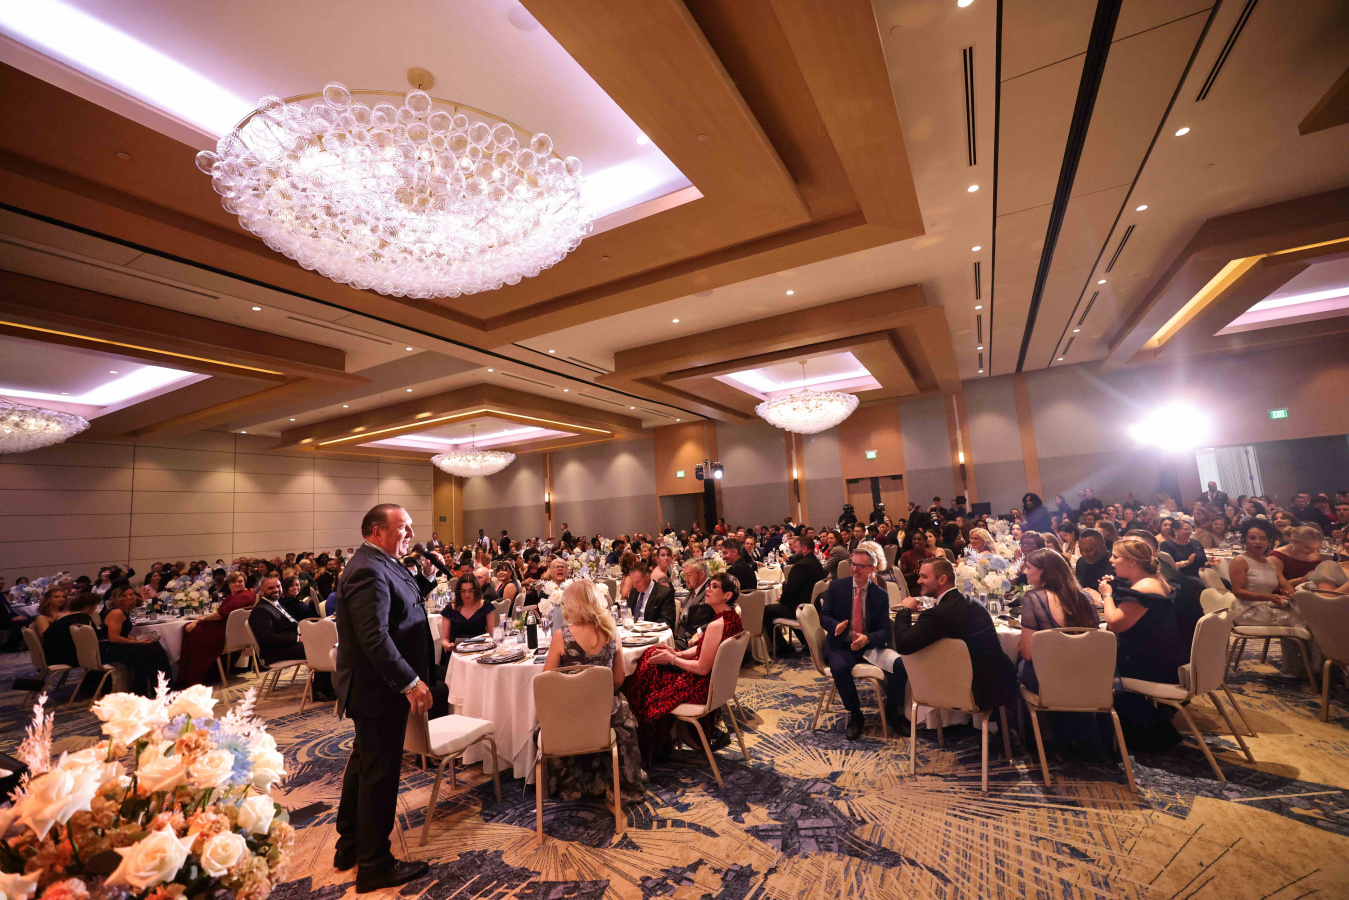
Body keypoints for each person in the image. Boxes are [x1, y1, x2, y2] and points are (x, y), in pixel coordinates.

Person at [333, 504, 439, 891]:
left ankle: (350, 846)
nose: (411, 534)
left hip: (376, 688)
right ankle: (375, 864)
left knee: (364, 766)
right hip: (378, 688)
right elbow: (374, 636)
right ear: (378, 532)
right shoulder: (367, 569)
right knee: (379, 775)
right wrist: (409, 682)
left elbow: (402, 604)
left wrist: (426, 578)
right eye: (403, 527)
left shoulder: (379, 561)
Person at [541, 581, 645, 801]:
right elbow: (618, 679)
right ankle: (617, 781)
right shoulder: (612, 632)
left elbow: (546, 682)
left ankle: (575, 783)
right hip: (605, 712)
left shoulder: (562, 636)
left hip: (571, 713)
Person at [626, 572, 744, 763]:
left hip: (700, 687)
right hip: (713, 684)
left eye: (714, 587)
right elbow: (704, 648)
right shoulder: (731, 617)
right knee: (652, 655)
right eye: (709, 585)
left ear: (727, 595)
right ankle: (660, 742)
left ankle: (650, 746)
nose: (708, 589)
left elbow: (702, 668)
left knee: (644, 675)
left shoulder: (717, 624)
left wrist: (672, 659)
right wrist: (677, 654)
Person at [893, 558, 1018, 727]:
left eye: (924, 576)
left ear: (942, 579)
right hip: (1000, 681)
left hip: (975, 691)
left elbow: (903, 645)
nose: (918, 581)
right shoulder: (972, 602)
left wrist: (905, 609)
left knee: (909, 664)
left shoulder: (939, 613)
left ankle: (900, 715)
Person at [1096, 537, 1187, 750]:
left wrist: (1106, 595)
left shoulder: (1144, 588)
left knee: (1095, 667)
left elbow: (1115, 624)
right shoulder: (1154, 580)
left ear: (1132, 561)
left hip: (1152, 665)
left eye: (1115, 557)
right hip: (1165, 655)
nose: (1111, 560)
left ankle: (1119, 736)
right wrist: (1115, 586)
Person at [819, 549, 903, 740]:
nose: (854, 569)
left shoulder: (880, 595)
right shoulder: (837, 587)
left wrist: (867, 639)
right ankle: (855, 714)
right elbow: (824, 616)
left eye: (860, 566)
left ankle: (892, 711)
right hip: (841, 644)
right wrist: (835, 626)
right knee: (840, 668)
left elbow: (885, 631)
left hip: (869, 646)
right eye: (853, 564)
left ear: (872, 569)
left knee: (900, 665)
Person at [250, 576, 334, 701]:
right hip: (275, 651)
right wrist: (298, 639)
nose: (276, 590)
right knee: (321, 648)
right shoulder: (261, 610)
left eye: (278, 586)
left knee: (327, 641)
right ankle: (320, 691)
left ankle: (330, 686)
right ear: (261, 591)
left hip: (288, 644)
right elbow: (267, 638)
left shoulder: (275, 604)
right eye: (271, 588)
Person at [178, 572, 257, 686]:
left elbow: (220, 615)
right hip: (230, 629)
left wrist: (199, 620)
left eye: (240, 581)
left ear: (245, 582)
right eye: (234, 581)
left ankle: (195, 675)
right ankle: (191, 674)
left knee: (192, 630)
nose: (237, 584)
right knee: (190, 627)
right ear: (229, 584)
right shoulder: (234, 595)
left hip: (227, 632)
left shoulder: (244, 596)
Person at [99, 586, 171, 697]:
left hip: (116, 645)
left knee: (154, 647)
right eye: (124, 596)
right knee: (148, 652)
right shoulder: (117, 612)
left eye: (131, 594)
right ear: (117, 598)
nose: (129, 597)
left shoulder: (124, 611)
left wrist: (137, 639)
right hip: (109, 649)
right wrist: (136, 642)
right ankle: (146, 690)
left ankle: (157, 688)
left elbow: (122, 633)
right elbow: (114, 637)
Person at [1229, 518, 1302, 628]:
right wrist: (1268, 597)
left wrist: (1290, 595)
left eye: (1263, 538)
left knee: (1306, 614)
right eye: (1252, 538)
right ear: (1245, 540)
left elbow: (1287, 587)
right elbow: (1238, 592)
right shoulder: (1240, 561)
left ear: (1269, 541)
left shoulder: (1270, 563)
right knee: (1302, 620)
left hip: (1267, 606)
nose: (1257, 542)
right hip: (1247, 611)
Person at [763, 534, 825, 656]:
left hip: (799, 608)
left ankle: (783, 647)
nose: (794, 550)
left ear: (804, 549)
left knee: (765, 611)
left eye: (796, 547)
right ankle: (806, 641)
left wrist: (782, 598)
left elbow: (790, 590)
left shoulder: (801, 566)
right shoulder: (816, 562)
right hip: (812, 606)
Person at [438, 572, 495, 656]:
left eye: (471, 591)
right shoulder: (450, 609)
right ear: (458, 592)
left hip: (479, 652)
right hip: (456, 652)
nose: (467, 594)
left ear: (476, 591)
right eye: (463, 591)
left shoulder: (486, 606)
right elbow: (445, 639)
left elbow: (491, 635)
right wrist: (448, 645)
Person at [41, 592, 101, 670]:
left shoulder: (65, 615)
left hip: (50, 654)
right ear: (89, 607)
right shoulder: (82, 618)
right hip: (62, 657)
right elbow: (88, 642)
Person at [625, 561, 677, 632]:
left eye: (638, 582)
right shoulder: (634, 591)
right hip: (632, 631)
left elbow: (667, 620)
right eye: (633, 582)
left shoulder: (664, 593)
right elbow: (630, 614)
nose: (634, 585)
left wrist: (645, 627)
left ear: (647, 576)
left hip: (652, 633)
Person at [676, 559, 712, 649]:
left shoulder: (711, 592)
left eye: (688, 575)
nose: (685, 579)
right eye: (685, 575)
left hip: (693, 644)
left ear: (701, 574)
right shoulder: (693, 589)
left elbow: (720, 618)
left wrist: (700, 632)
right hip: (680, 639)